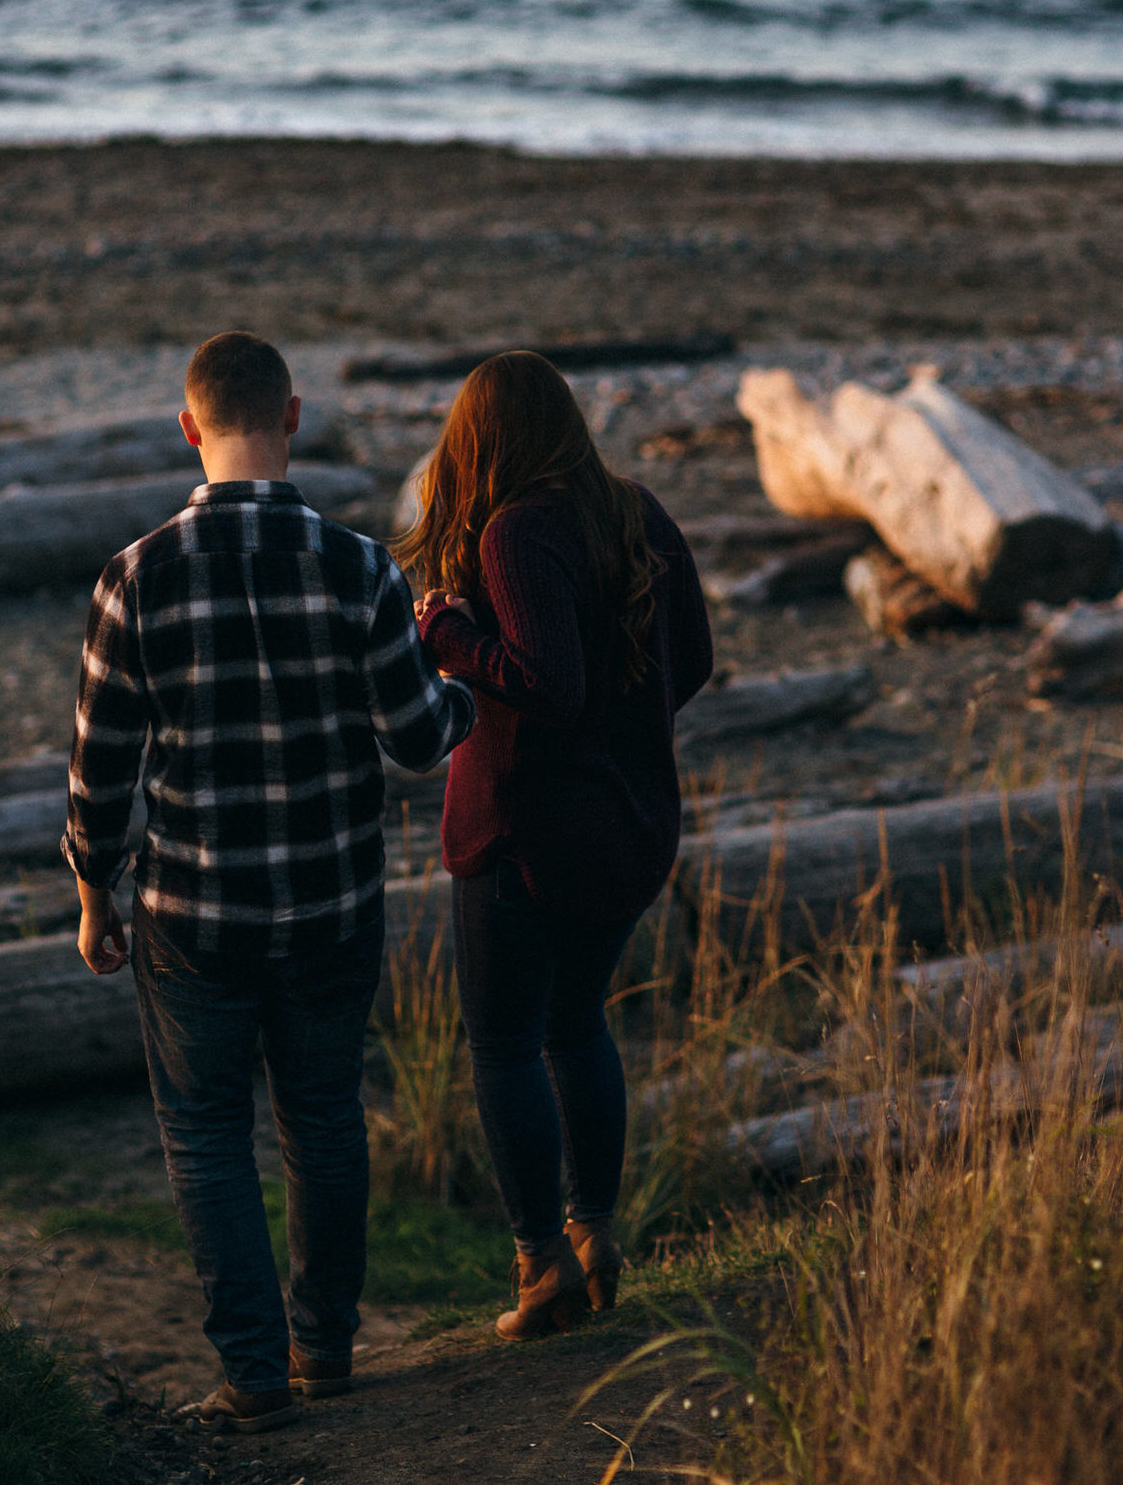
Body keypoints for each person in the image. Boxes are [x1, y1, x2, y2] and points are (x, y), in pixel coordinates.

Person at [65, 331, 475, 1432]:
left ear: (189, 426)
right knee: (326, 1120)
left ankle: (251, 1370)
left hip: (193, 911)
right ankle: (325, 1348)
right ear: (291, 417)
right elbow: (416, 739)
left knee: (204, 1133)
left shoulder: (136, 573)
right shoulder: (362, 567)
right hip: (332, 901)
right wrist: (464, 685)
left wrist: (93, 891)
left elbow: (101, 769)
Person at [396, 350, 713, 1340]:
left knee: (501, 1042)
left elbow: (546, 680)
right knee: (574, 1027)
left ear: (477, 439)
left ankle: (539, 1265)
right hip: (627, 823)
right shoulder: (636, 509)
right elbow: (692, 658)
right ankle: (594, 1236)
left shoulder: (513, 532)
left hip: (525, 832)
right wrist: (626, 730)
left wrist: (446, 633)